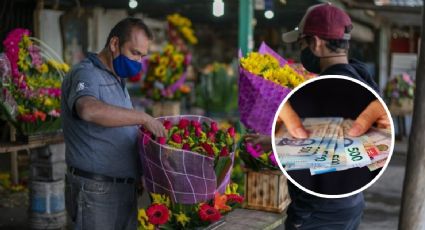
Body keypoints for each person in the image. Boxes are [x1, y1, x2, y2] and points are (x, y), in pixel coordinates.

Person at [246, 3, 390, 230]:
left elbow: (313, 159)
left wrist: (300, 216)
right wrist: (274, 141)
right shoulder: (360, 78)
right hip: (349, 203)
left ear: (316, 43)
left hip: (320, 211)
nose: (300, 51)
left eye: (302, 43)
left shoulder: (327, 88)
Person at [61, 18, 166, 230]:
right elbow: (88, 109)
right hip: (95, 190)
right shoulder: (86, 73)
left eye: (142, 57)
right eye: (134, 53)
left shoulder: (117, 78)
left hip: (123, 189)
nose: (138, 62)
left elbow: (120, 129)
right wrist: (143, 117)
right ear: (114, 44)